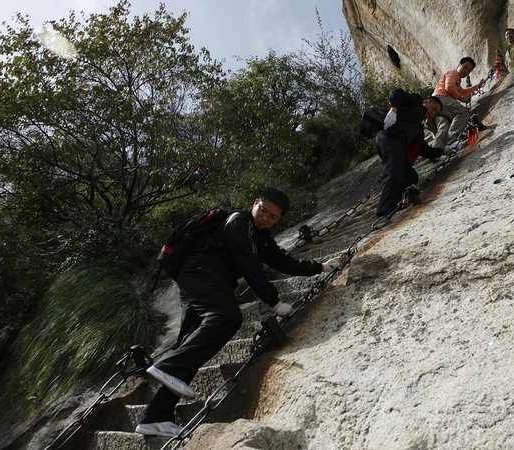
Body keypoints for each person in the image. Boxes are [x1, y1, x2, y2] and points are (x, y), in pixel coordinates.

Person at [136, 188, 345, 437]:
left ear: (279, 219)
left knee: (192, 347)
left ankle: (155, 417)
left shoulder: (260, 237)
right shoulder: (239, 222)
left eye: (273, 216)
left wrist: (320, 267)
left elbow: (282, 261)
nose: (265, 217)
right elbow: (250, 266)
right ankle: (168, 366)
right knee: (227, 317)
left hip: (202, 280)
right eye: (263, 210)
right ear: (254, 203)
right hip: (201, 273)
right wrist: (274, 302)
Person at [376, 88, 452, 217]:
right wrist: (393, 110)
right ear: (426, 101)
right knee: (394, 174)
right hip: (389, 138)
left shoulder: (418, 129)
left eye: (435, 113)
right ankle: (385, 211)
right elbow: (396, 92)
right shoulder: (416, 101)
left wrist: (443, 151)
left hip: (397, 145)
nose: (432, 113)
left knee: (411, 176)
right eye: (433, 108)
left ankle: (401, 200)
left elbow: (425, 151)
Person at [431, 57, 486, 148]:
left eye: (469, 71)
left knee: (444, 127)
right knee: (463, 113)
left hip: (435, 104)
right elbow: (449, 88)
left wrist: (477, 86)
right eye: (465, 67)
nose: (466, 71)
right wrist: (461, 99)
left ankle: (437, 151)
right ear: (459, 65)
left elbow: (462, 91)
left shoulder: (457, 80)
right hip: (441, 98)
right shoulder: (453, 73)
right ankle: (450, 143)